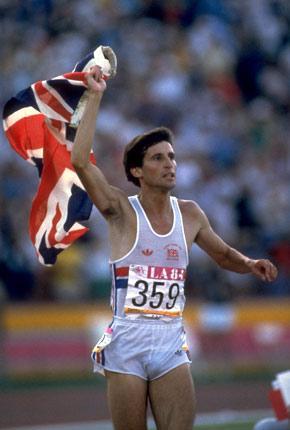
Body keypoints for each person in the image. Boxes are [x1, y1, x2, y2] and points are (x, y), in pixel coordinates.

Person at [71, 65, 278, 430]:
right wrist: (94, 96)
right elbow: (78, 160)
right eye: (158, 158)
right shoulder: (121, 210)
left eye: (172, 157)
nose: (169, 164)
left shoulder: (191, 214)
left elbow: (223, 255)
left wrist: (250, 263)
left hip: (170, 340)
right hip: (127, 340)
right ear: (136, 171)